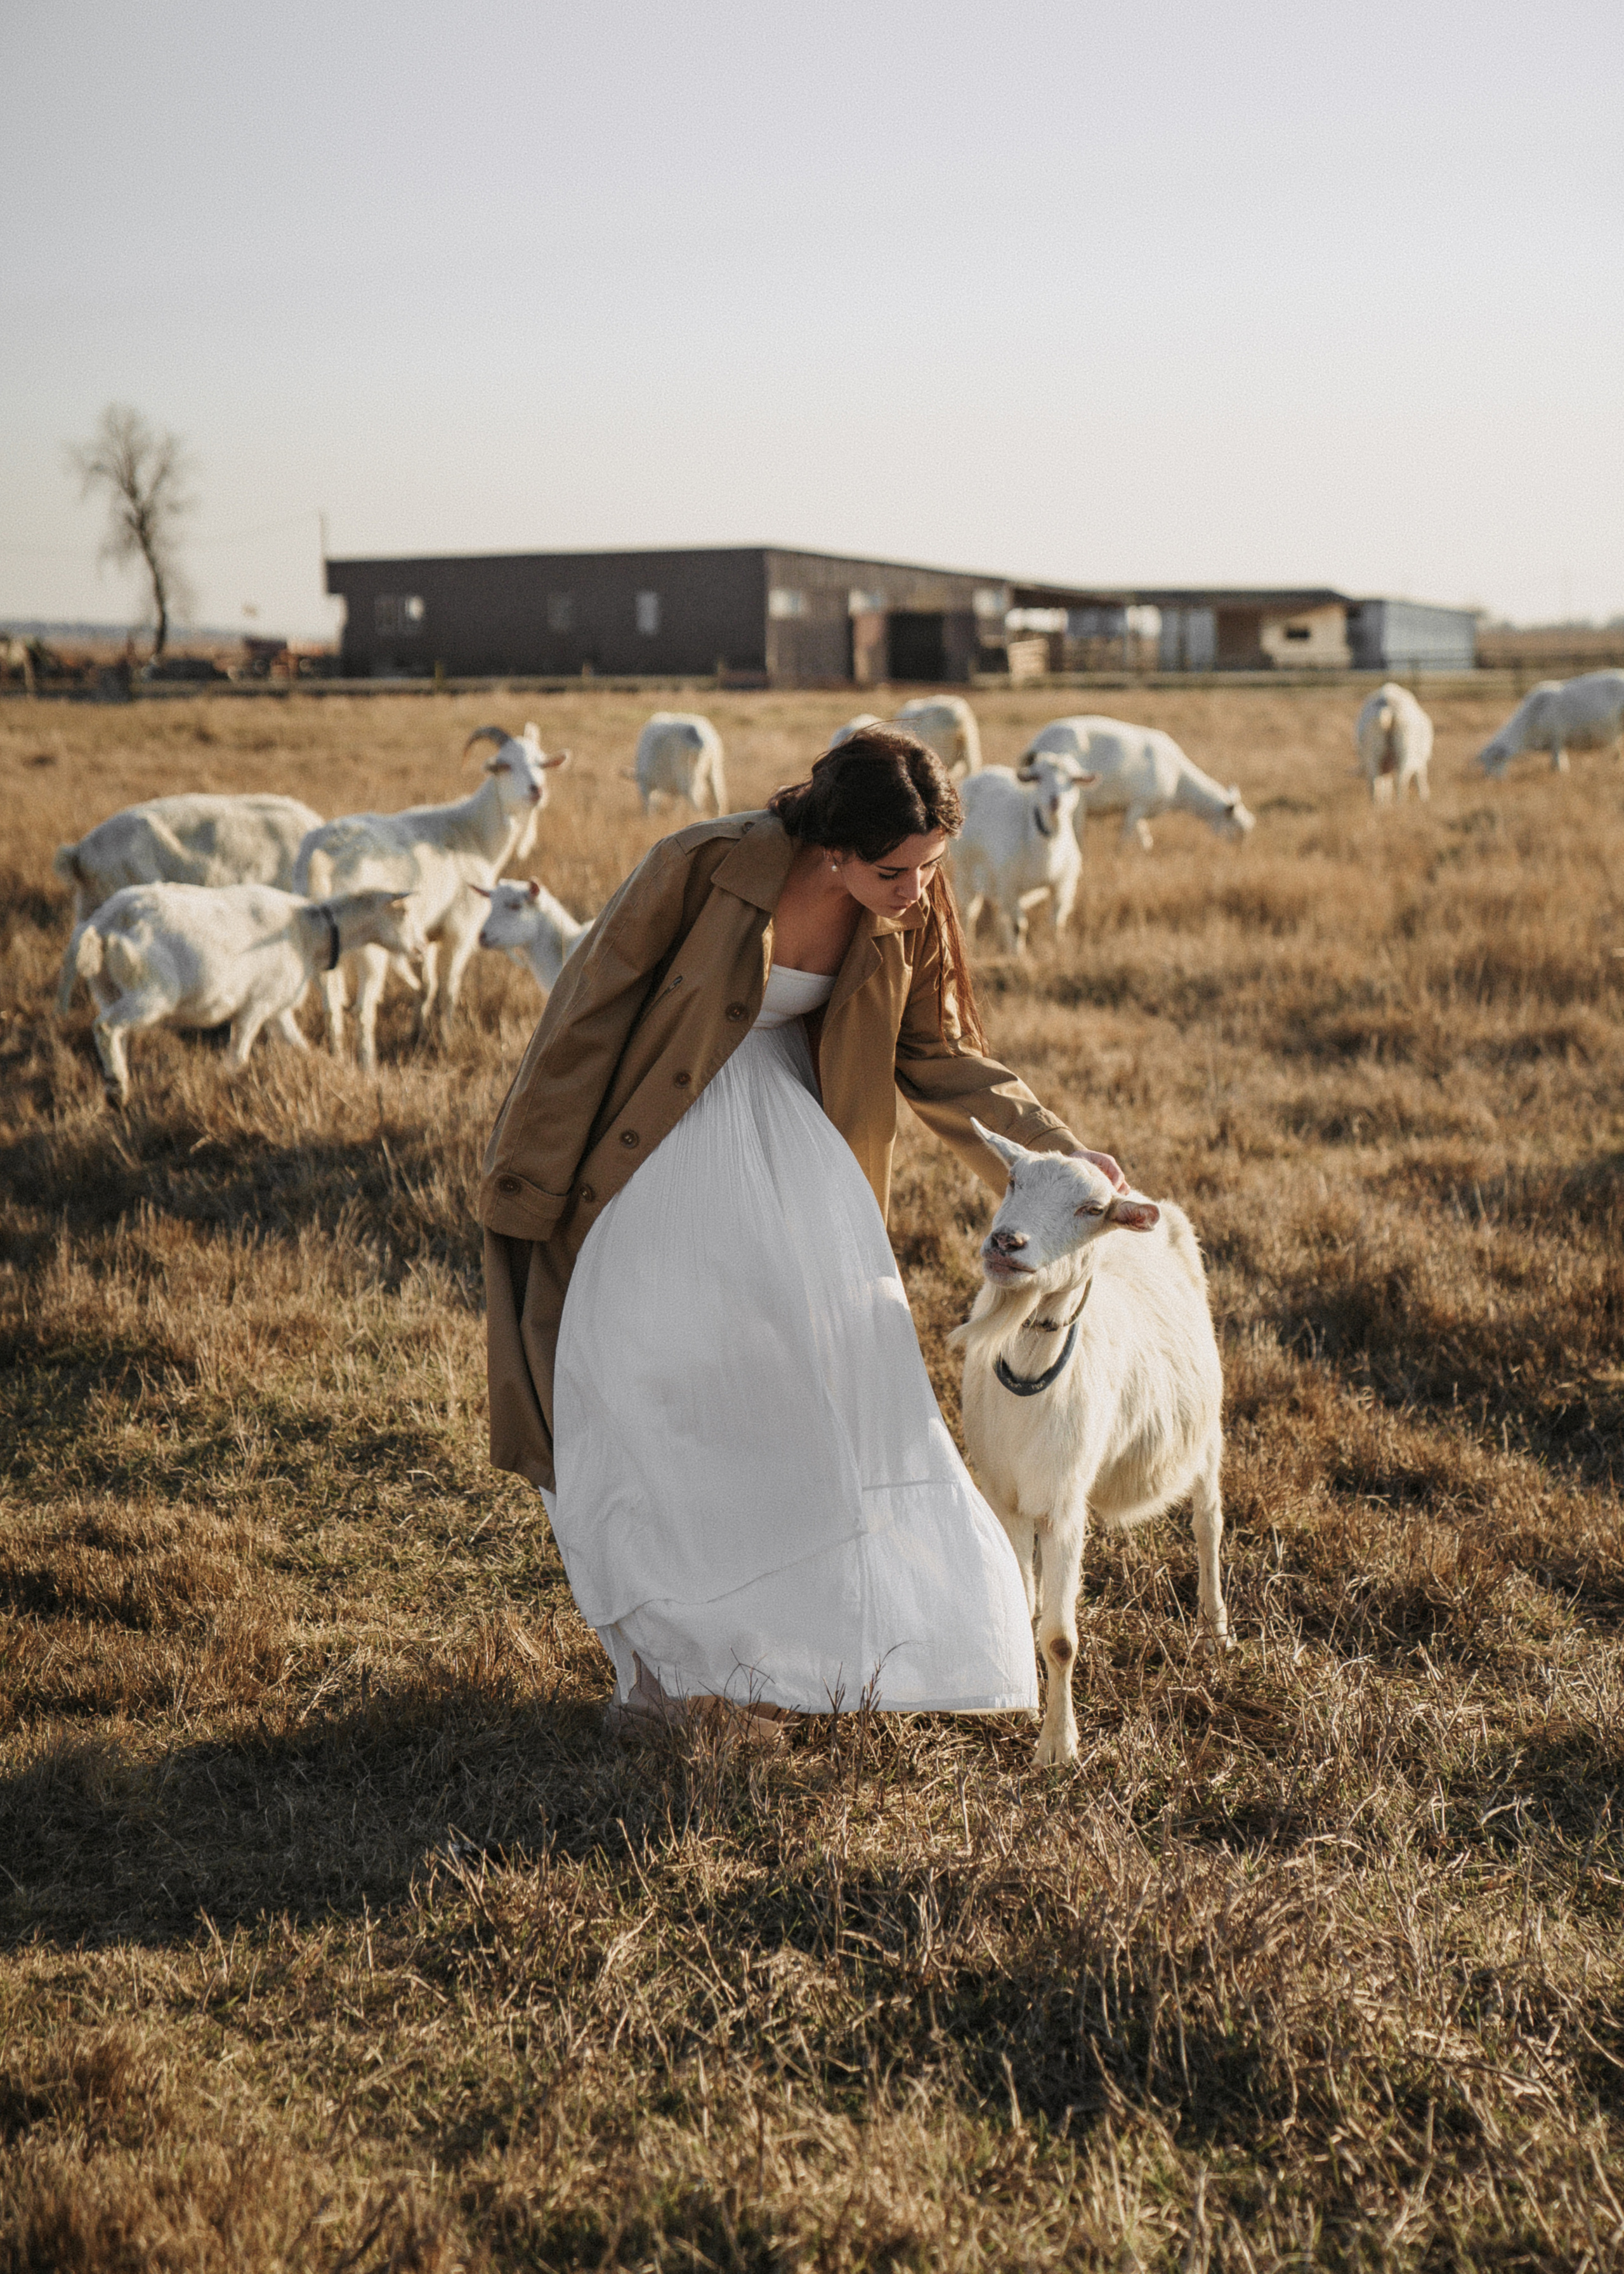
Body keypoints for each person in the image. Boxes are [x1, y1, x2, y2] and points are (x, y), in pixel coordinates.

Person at [478, 725, 1127, 1732]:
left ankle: (787, 1657)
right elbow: (587, 1015)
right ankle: (659, 1667)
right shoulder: (701, 866)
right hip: (662, 1137)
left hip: (800, 1150)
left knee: (810, 1392)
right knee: (650, 1381)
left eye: (930, 868)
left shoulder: (907, 902)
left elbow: (940, 1056)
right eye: (894, 872)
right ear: (830, 849)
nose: (917, 891)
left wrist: (1064, 1156)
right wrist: (531, 1178)